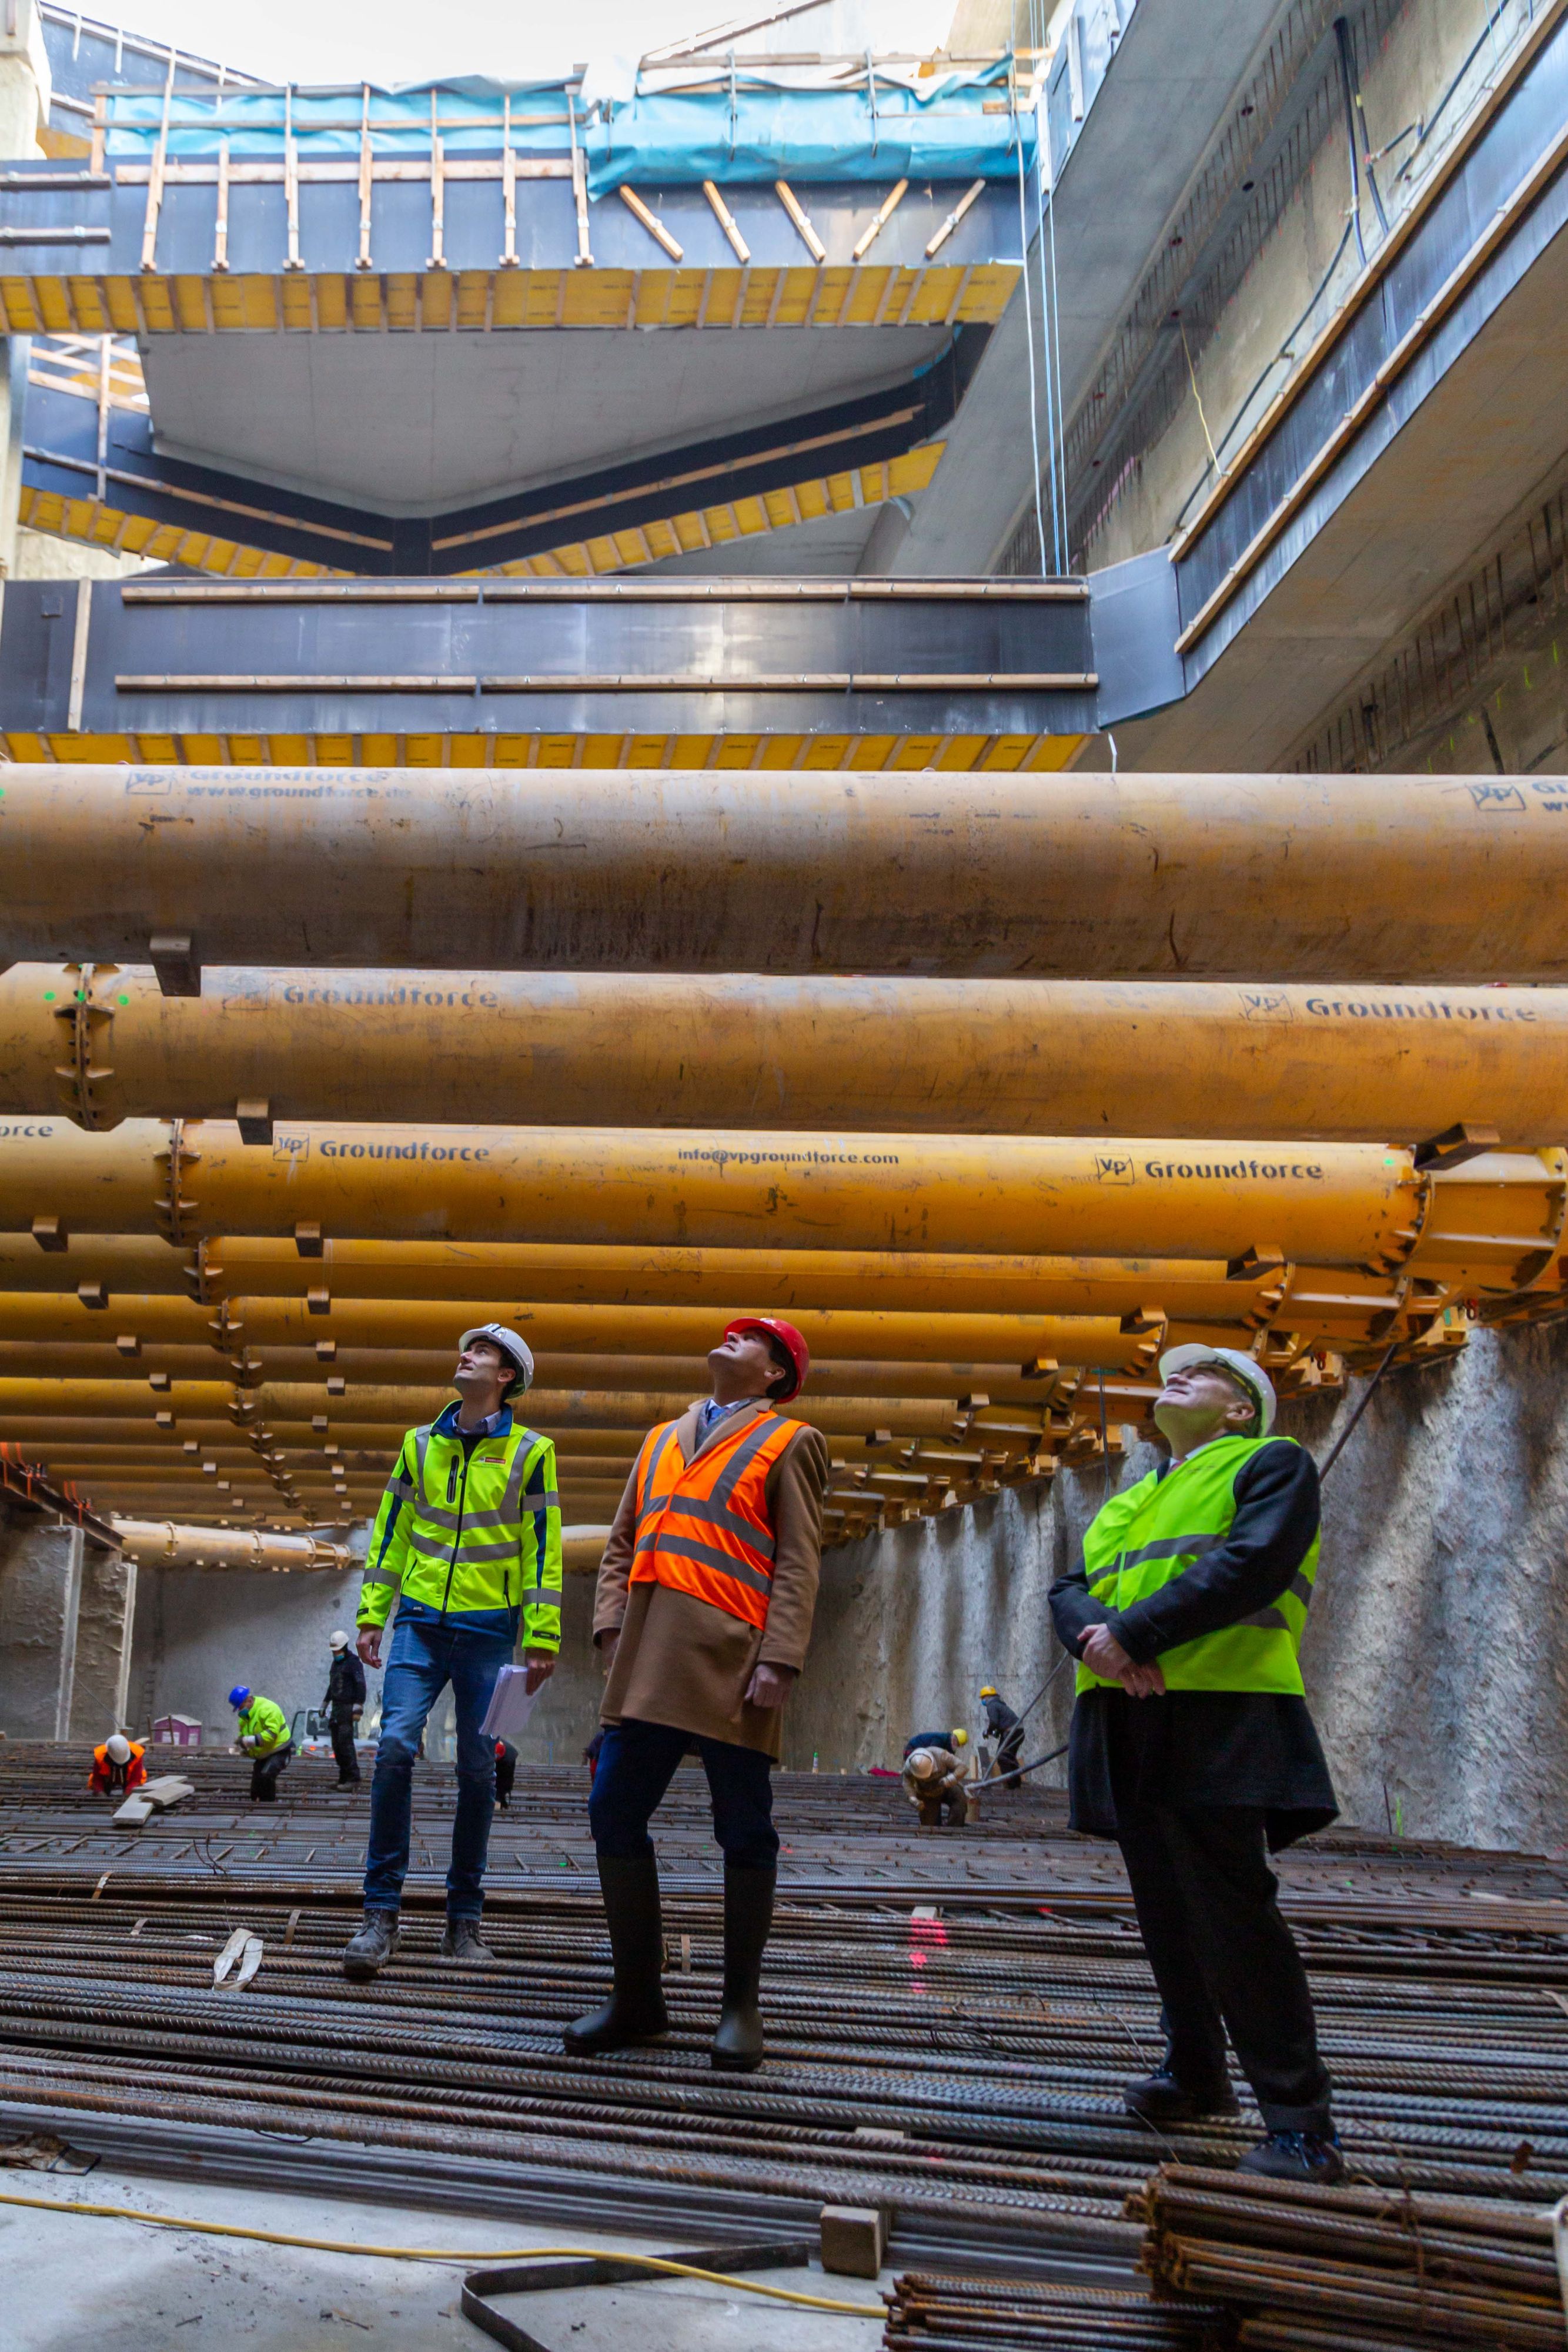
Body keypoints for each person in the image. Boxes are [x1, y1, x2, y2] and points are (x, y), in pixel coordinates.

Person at [1048, 1343, 1343, 2186]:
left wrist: (1133, 1634)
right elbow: (1068, 1588)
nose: (1173, 1375)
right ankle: (1197, 2071)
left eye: (1202, 1372)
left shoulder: (1270, 1464)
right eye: (1170, 1371)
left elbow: (1249, 1563)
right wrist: (1095, 1639)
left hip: (1219, 1711)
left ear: (1239, 1409)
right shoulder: (1132, 1497)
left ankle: (1300, 2126)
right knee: (1165, 1907)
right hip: (1127, 1715)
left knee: (1231, 1914)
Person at [567, 1316, 826, 2073]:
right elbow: (622, 1542)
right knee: (612, 1809)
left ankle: (740, 2006)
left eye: (751, 1338)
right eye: (731, 1331)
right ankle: (639, 1999)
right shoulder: (658, 1440)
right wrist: (610, 1627)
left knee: (743, 1827)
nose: (731, 1338)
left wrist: (780, 1657)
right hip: (646, 1660)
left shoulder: (791, 1441)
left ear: (776, 1373)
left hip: (734, 1663)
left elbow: (800, 1561)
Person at [344, 1324, 561, 1979]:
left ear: (506, 1377)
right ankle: (380, 1916)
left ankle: (462, 1921)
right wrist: (371, 1615)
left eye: (484, 1353)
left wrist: (542, 1635)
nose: (466, 1354)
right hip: (418, 1624)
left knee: (477, 1769)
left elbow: (542, 1545)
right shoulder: (418, 1445)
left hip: (491, 1632)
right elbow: (391, 1532)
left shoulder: (532, 1452)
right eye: (465, 1347)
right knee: (394, 1749)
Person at [230, 1687, 292, 1800]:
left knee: (267, 1776)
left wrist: (248, 1741)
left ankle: (268, 1809)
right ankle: (257, 1808)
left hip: (279, 1749)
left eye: (241, 1706)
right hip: (264, 1753)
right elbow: (246, 1736)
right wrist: (243, 1747)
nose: (240, 1710)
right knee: (256, 1789)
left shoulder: (268, 1709)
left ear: (249, 1700)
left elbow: (271, 1735)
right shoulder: (245, 1717)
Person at [323, 1628, 366, 1788]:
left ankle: (353, 1779)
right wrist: (325, 1703)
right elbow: (333, 1685)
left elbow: (361, 1685)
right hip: (336, 1709)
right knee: (337, 1745)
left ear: (345, 1646)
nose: (336, 1653)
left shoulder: (354, 1663)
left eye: (338, 1650)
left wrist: (358, 1707)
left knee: (345, 1743)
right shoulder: (336, 1664)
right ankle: (343, 1778)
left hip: (347, 1709)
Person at [902, 1733, 971, 1827]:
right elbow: (907, 1783)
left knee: (960, 1799)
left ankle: (953, 1829)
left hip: (946, 1785)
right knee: (929, 1828)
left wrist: (951, 1779)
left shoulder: (941, 1755)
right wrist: (913, 1799)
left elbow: (963, 1767)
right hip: (927, 1793)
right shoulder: (909, 1766)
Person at [979, 1686, 1025, 1784]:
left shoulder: (991, 1705)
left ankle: (1010, 1784)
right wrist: (995, 1732)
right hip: (1018, 1732)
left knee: (1002, 1757)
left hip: (1012, 1732)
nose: (983, 1700)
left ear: (987, 1697)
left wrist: (988, 1731)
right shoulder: (1000, 1704)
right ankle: (1016, 1783)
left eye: (983, 1698)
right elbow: (1002, 1724)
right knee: (1009, 1757)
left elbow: (994, 1723)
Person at [89, 1732, 146, 1796]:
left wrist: (128, 1793)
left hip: (128, 1779)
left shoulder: (137, 1753)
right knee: (94, 1785)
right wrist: (100, 1792)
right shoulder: (100, 1755)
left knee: (137, 1786)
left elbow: (136, 1779)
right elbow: (97, 1779)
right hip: (108, 1778)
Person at [494, 1739, 517, 1809]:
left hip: (507, 1760)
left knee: (504, 1781)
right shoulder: (491, 1746)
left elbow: (506, 1778)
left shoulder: (508, 1760)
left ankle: (501, 1801)